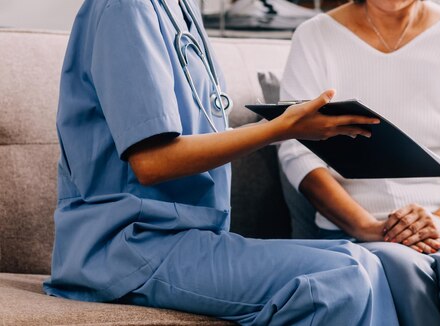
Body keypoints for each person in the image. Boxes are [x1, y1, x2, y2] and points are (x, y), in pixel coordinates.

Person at [42, 0, 401, 325]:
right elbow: (151, 162)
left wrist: (286, 126)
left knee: (367, 262)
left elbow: (197, 127)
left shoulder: (180, 9)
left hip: (184, 237)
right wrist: (279, 129)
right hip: (126, 247)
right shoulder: (126, 9)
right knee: (342, 277)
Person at [278, 0, 440, 325]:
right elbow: (298, 154)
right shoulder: (314, 37)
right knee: (399, 266)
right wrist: (366, 227)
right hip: (352, 225)